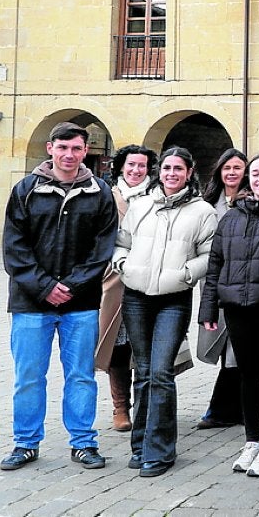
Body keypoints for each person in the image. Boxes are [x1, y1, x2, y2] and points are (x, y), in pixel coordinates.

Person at [0, 122, 118, 472]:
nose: (69, 155)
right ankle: (25, 442)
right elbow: (14, 246)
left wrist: (73, 285)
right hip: (30, 302)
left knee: (81, 375)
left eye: (77, 148)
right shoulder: (26, 189)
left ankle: (83, 442)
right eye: (63, 148)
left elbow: (103, 248)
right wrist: (44, 286)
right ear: (50, 148)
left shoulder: (100, 192)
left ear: (86, 151)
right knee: (29, 376)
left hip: (79, 303)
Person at [113, 146, 218, 477]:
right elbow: (122, 242)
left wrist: (186, 274)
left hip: (173, 298)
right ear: (160, 170)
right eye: (168, 167)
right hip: (136, 295)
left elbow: (209, 254)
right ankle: (140, 444)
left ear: (189, 172)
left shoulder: (202, 211)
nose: (172, 173)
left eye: (179, 169)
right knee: (142, 372)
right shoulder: (140, 205)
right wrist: (123, 265)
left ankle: (160, 450)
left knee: (161, 372)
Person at [199, 153, 259, 478]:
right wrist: (209, 308)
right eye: (256, 173)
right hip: (237, 309)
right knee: (247, 375)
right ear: (248, 179)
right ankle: (251, 441)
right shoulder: (232, 217)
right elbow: (215, 266)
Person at [96, 144, 157, 434]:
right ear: (121, 166)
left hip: (149, 278)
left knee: (143, 344)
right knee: (117, 344)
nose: (135, 170)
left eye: (142, 166)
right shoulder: (107, 195)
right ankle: (121, 407)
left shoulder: (157, 196)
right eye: (131, 165)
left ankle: (147, 405)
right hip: (114, 278)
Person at [194, 148, 250, 431]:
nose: (231, 173)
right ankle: (233, 407)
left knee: (236, 348)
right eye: (226, 167)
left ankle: (224, 409)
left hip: (244, 284)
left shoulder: (252, 201)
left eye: (237, 168)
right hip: (213, 284)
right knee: (218, 343)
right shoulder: (206, 204)